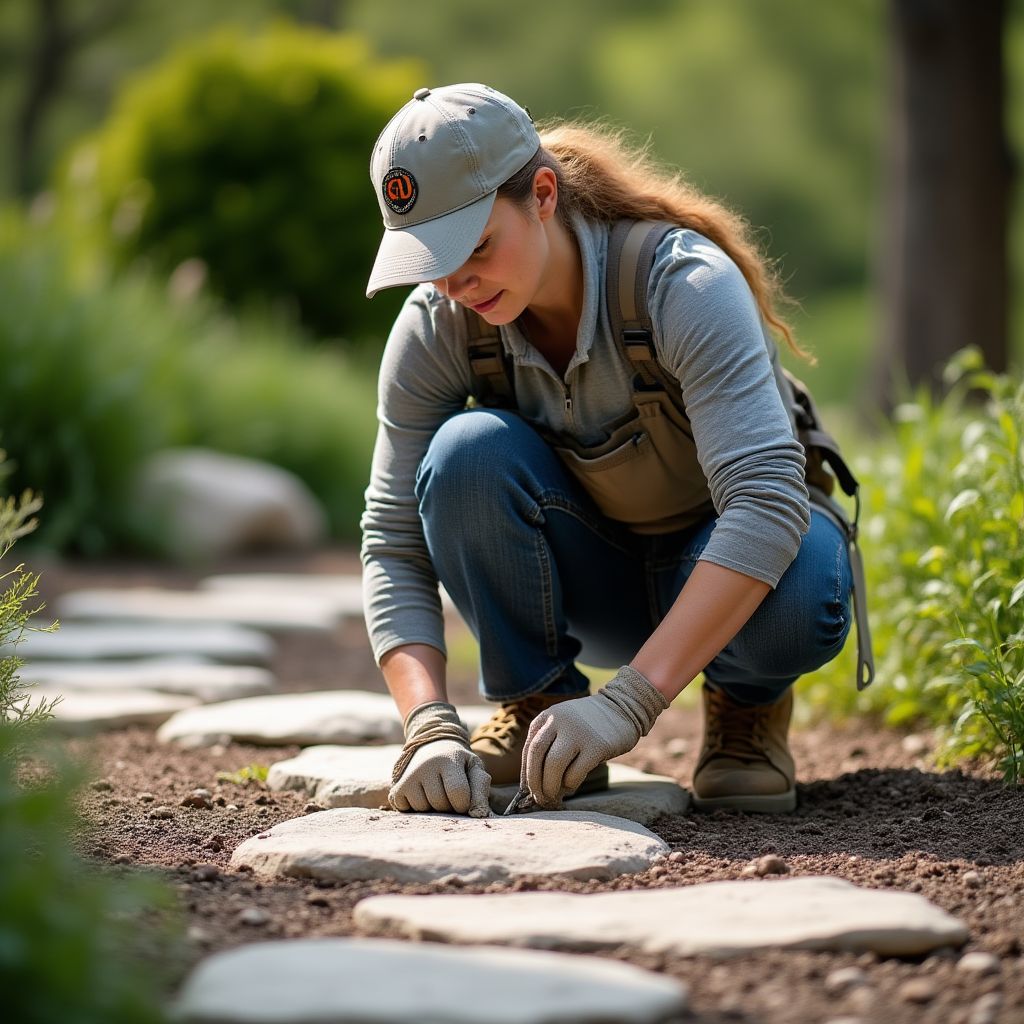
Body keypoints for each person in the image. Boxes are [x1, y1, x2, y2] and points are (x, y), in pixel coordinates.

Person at [361, 83, 856, 818]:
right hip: (592, 584)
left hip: (730, 576)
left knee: (807, 585)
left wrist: (630, 704)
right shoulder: (439, 325)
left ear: (543, 195)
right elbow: (393, 537)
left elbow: (765, 501)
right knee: (464, 452)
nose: (454, 282)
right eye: (429, 258)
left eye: (474, 246)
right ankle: (540, 709)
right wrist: (427, 726)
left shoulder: (681, 283)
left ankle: (745, 708)